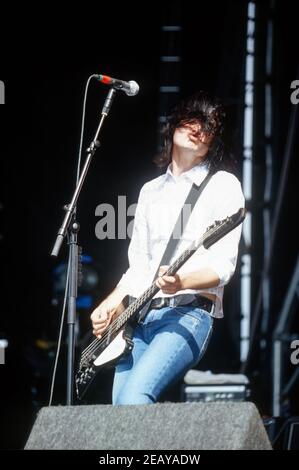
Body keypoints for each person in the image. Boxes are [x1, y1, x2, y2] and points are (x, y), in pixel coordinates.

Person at [91, 91, 245, 405]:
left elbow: (224, 267)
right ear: (174, 125)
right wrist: (112, 302)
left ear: (215, 142)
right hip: (143, 318)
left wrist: (181, 282)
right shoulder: (150, 191)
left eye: (210, 126)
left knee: (135, 398)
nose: (199, 129)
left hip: (189, 316)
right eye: (193, 119)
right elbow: (139, 267)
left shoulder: (223, 185)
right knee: (118, 410)